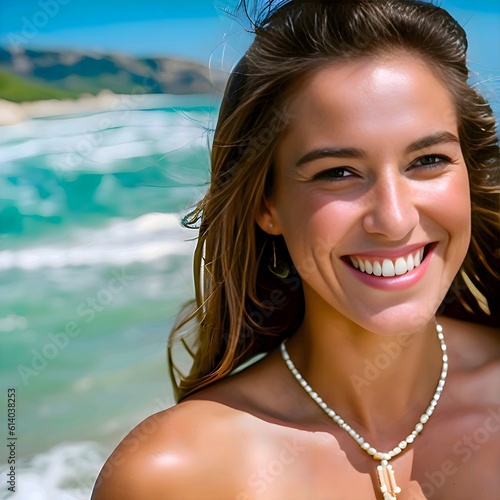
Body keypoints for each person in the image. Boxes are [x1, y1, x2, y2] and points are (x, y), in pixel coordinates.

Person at [91, 0, 500, 498]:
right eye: (338, 172)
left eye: (428, 160)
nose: (394, 220)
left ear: (470, 175)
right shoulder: (173, 475)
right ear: (268, 205)